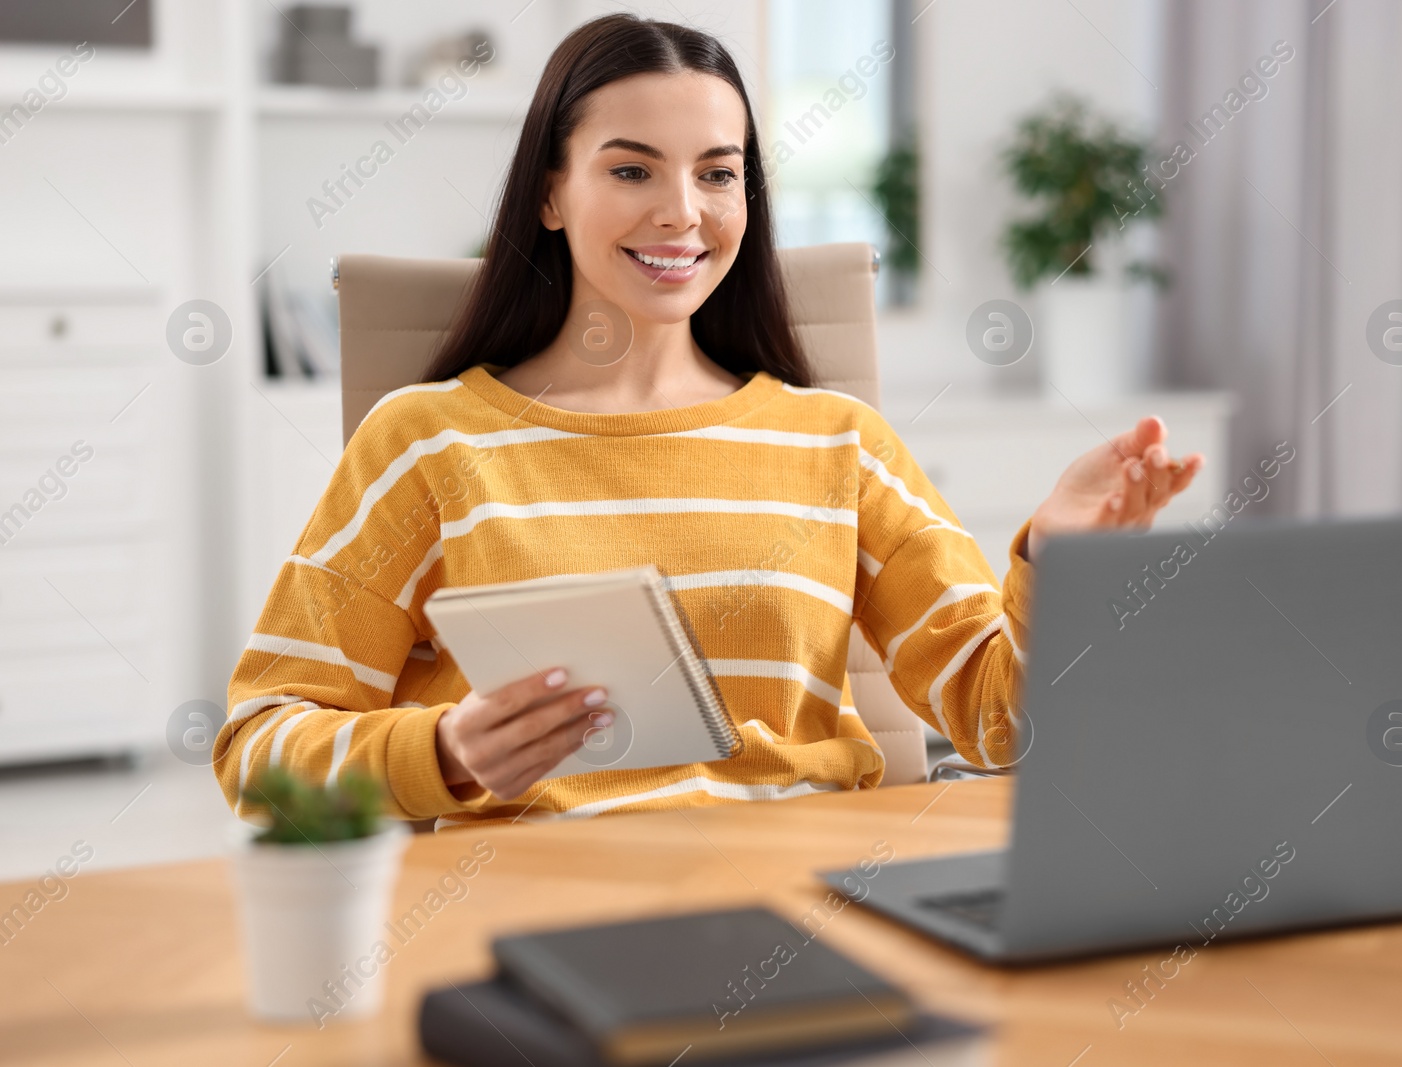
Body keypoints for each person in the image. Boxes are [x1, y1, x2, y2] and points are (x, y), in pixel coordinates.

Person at [216, 13, 1201, 829]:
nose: (682, 212)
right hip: (530, 914)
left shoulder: (840, 442)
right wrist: (440, 750)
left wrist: (1063, 562)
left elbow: (998, 727)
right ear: (553, 193)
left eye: (718, 173)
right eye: (632, 170)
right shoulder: (426, 440)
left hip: (806, 899)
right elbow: (257, 747)